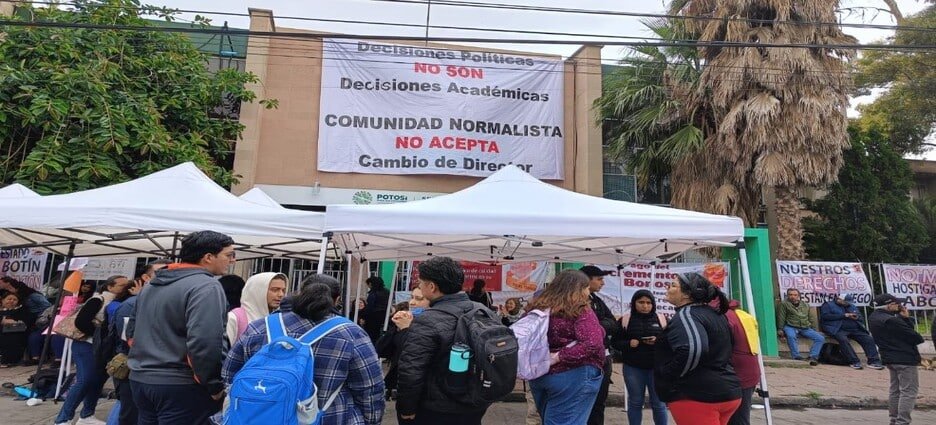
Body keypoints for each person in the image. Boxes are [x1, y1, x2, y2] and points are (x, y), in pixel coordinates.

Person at [222, 274, 385, 424]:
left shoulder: (259, 327)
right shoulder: (350, 333)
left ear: (299, 293)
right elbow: (370, 387)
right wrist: (371, 420)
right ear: (337, 300)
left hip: (264, 418)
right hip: (332, 417)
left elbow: (229, 374)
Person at [128, 231, 235, 425]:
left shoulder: (151, 286)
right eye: (229, 255)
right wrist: (213, 385)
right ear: (208, 257)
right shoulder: (206, 286)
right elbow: (204, 341)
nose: (232, 260)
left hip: (141, 378)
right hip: (180, 383)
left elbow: (131, 332)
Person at [396, 256, 490, 425]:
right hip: (476, 400)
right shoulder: (483, 310)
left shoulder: (427, 320)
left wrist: (406, 409)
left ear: (431, 287)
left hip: (438, 408)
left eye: (421, 283)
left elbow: (411, 370)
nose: (420, 287)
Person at [655, 273, 741, 425]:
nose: (667, 287)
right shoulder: (714, 314)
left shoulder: (687, 315)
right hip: (726, 391)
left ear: (687, 295)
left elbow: (693, 350)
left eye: (673, 285)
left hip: (697, 396)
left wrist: (668, 374)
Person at [525, 269, 605, 425]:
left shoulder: (537, 307)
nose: (588, 292)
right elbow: (592, 343)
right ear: (578, 289)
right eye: (586, 288)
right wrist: (560, 356)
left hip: (539, 373)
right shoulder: (580, 309)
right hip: (573, 375)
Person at [54, 274, 130, 425]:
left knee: (98, 380)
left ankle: (87, 414)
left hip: (102, 348)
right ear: (110, 287)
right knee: (85, 380)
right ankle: (63, 418)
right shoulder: (97, 300)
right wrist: (99, 335)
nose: (125, 288)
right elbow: (81, 322)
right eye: (122, 285)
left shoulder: (121, 302)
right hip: (86, 345)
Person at [111, 260, 170, 425]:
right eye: (160, 272)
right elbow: (127, 338)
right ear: (145, 277)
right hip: (133, 367)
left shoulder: (161, 300)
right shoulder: (132, 304)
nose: (167, 276)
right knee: (129, 412)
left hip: (149, 369)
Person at [869, 294, 924, 425]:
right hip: (904, 358)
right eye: (897, 304)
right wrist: (906, 319)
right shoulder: (892, 321)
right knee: (908, 391)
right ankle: (902, 421)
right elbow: (916, 337)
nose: (900, 306)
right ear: (889, 305)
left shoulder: (873, 318)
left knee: (895, 390)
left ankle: (894, 419)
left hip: (889, 358)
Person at [579, 265, 622, 425]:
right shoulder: (574, 302)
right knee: (582, 402)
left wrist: (597, 325)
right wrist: (598, 325)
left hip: (604, 357)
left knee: (599, 402)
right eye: (599, 279)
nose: (602, 283)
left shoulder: (597, 300)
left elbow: (613, 323)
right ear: (586, 280)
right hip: (584, 360)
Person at [618, 289, 667, 425]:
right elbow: (615, 342)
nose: (645, 306)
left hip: (656, 368)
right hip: (633, 368)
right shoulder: (625, 320)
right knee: (635, 402)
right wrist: (628, 343)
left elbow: (671, 341)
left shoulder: (662, 320)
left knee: (659, 403)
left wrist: (658, 341)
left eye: (648, 303)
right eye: (641, 302)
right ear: (634, 303)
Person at [376, 288, 429, 403]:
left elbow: (415, 354)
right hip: (399, 381)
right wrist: (396, 327)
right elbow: (381, 350)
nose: (412, 303)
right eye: (412, 297)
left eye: (419, 299)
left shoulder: (431, 326)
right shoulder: (405, 321)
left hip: (420, 388)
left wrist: (406, 329)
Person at [819, 293, 884, 370]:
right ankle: (854, 361)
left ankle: (874, 361)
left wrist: (856, 317)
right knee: (843, 340)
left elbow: (860, 317)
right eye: (846, 302)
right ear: (839, 299)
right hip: (837, 328)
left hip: (854, 329)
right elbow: (825, 317)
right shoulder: (828, 305)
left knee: (868, 339)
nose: (847, 304)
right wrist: (844, 315)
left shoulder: (851, 306)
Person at [723, 300, 761, 425]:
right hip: (748, 374)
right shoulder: (741, 315)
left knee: (736, 418)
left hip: (736, 375)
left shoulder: (724, 318)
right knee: (740, 417)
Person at [225, 272, 287, 345]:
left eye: (283, 290)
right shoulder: (235, 317)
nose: (281, 294)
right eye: (275, 290)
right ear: (258, 291)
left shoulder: (280, 319)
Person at [776, 288, 823, 365]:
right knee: (791, 336)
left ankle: (813, 356)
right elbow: (781, 317)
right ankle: (796, 356)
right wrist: (780, 329)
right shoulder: (784, 304)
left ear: (798, 296)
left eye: (795, 295)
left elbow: (811, 318)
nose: (793, 296)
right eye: (790, 295)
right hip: (790, 326)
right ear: (787, 295)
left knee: (820, 338)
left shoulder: (805, 305)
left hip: (805, 327)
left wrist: (814, 329)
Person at [0, 292, 32, 367]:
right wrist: (2, 320)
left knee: (11, 338)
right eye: (9, 299)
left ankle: (8, 360)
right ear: (3, 300)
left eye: (15, 299)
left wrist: (13, 322)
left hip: (15, 332)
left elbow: (25, 322)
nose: (12, 301)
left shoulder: (22, 310)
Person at [360, 276, 390, 343]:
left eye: (368, 285)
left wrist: (363, 316)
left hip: (373, 317)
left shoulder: (373, 293)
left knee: (372, 336)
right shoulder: (387, 292)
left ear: (370, 284)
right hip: (384, 315)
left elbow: (370, 307)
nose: (368, 287)